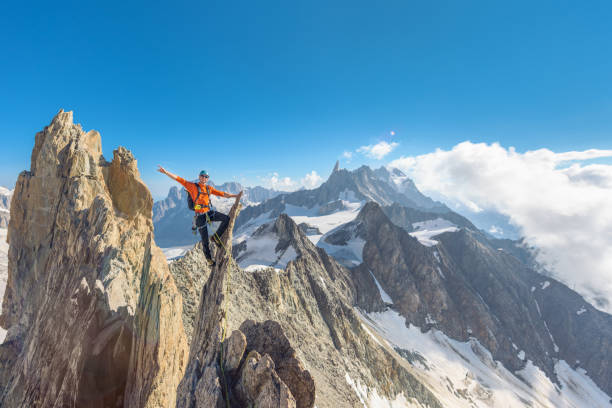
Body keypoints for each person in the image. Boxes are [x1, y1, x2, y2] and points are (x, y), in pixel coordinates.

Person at [157, 165, 242, 266]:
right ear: (199, 176)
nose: (204, 178)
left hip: (208, 213)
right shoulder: (192, 186)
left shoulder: (209, 188)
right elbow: (179, 179)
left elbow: (222, 194)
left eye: (206, 177)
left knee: (226, 219)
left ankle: (215, 237)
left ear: (208, 178)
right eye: (202, 176)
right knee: (204, 240)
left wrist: (235, 196)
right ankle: (209, 260)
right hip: (200, 217)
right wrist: (166, 173)